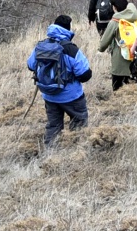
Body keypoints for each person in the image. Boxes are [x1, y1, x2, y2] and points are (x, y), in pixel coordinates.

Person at [26, 15, 93, 147]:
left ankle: (50, 152)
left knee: (53, 126)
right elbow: (85, 74)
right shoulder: (70, 49)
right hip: (72, 96)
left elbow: (30, 65)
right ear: (68, 30)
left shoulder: (41, 46)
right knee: (79, 123)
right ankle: (76, 149)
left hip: (49, 96)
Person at [97, 0, 137, 93]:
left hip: (119, 64)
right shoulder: (136, 18)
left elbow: (103, 44)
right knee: (134, 92)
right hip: (136, 61)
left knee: (118, 92)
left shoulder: (115, 21)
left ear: (114, 7)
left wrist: (100, 49)